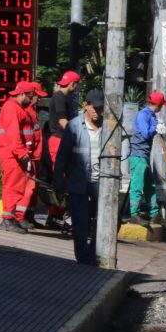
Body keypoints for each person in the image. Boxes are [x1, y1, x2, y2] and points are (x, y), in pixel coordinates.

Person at [53, 90, 104, 265]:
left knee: (102, 221)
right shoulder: (74, 126)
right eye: (94, 107)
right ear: (86, 105)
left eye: (100, 108)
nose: (97, 111)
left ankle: (93, 253)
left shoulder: (108, 126)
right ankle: (83, 258)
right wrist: (58, 180)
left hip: (100, 182)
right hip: (78, 181)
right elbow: (62, 156)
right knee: (80, 222)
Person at [0, 81, 35, 234]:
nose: (31, 100)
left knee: (15, 186)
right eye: (30, 96)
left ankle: (9, 219)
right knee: (13, 187)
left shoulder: (15, 107)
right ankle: (7, 220)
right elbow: (13, 135)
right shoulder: (12, 108)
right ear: (22, 94)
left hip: (12, 154)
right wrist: (21, 153)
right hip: (12, 156)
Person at [128, 90, 166, 225]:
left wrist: (157, 127)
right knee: (137, 185)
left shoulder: (152, 116)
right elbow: (146, 134)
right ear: (157, 105)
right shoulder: (143, 115)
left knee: (150, 186)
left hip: (144, 155)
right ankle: (134, 214)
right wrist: (155, 127)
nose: (162, 107)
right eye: (162, 105)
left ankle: (154, 214)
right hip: (138, 155)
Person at [47, 70, 80, 223]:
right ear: (73, 84)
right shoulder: (60, 98)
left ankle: (56, 214)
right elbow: (62, 120)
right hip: (59, 140)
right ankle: (54, 214)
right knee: (61, 178)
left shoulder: (63, 97)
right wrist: (76, 135)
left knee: (65, 178)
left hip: (61, 140)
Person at [21, 81, 48, 226]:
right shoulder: (26, 112)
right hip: (29, 157)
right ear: (30, 96)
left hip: (36, 156)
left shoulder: (33, 112)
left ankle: (30, 215)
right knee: (27, 187)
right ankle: (22, 216)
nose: (39, 99)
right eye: (37, 96)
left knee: (33, 189)